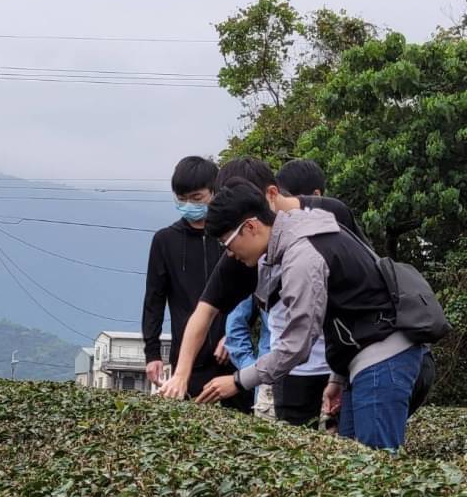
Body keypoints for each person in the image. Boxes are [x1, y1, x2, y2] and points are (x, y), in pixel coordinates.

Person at [194, 182, 426, 451]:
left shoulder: (301, 256)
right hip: (363, 361)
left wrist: (237, 381)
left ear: (250, 227)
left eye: (227, 243)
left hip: (383, 359)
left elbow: (296, 346)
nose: (230, 254)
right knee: (354, 464)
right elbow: (347, 307)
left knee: (377, 467)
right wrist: (338, 377)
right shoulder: (306, 230)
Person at [161, 157, 362, 413]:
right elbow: (205, 311)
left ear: (270, 194)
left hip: (343, 363)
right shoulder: (241, 248)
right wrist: (181, 374)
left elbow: (366, 274)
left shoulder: (328, 217)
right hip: (289, 369)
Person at [142, 156, 247, 411]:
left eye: (196, 198)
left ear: (214, 192)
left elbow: (248, 292)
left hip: (232, 357)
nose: (189, 205)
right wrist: (153, 354)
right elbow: (154, 300)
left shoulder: (231, 238)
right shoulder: (164, 241)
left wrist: (233, 333)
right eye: (182, 198)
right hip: (187, 363)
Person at [223, 296, 274, 419]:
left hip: (323, 380)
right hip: (270, 383)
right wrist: (253, 372)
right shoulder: (262, 277)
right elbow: (236, 327)